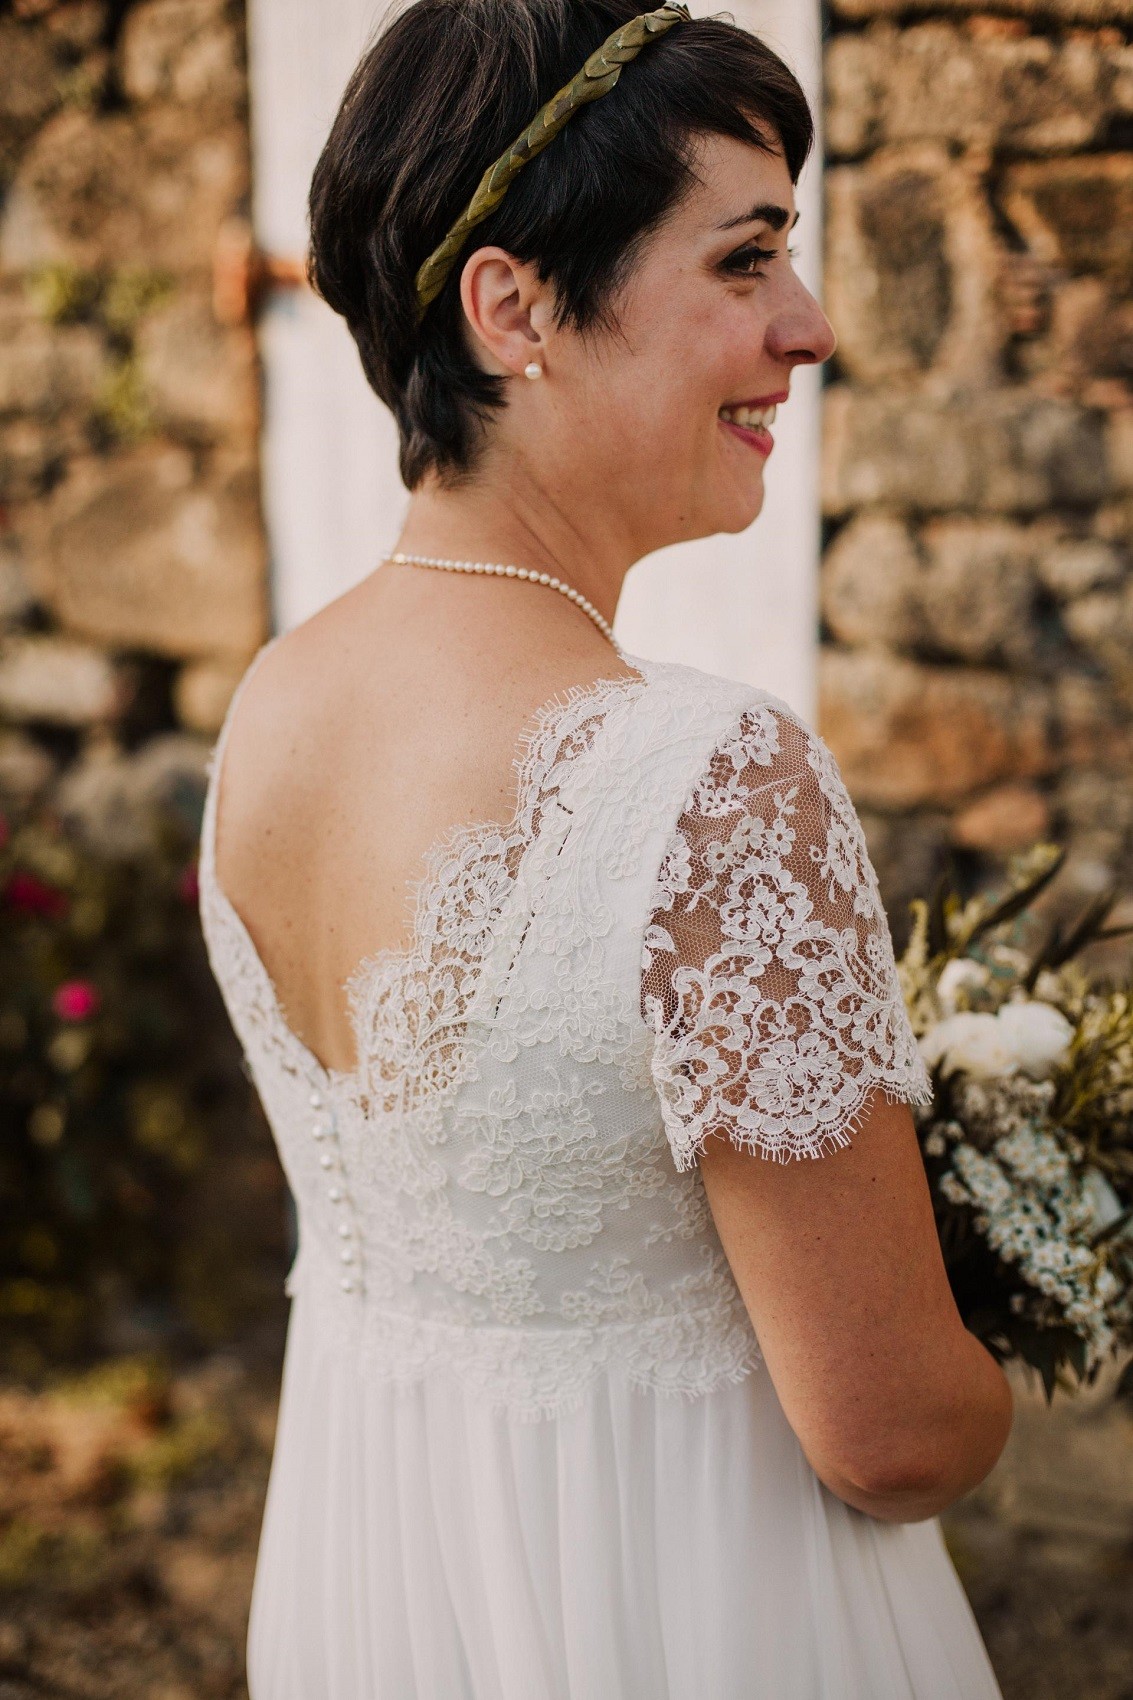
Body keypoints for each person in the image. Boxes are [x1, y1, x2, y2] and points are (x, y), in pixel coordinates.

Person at [198, 1, 1013, 1693]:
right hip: (673, 1608)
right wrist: (995, 1324)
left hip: (380, 1592)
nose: (810, 327)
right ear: (512, 308)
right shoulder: (702, 778)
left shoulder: (272, 707)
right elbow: (891, 1439)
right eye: (743, 262)